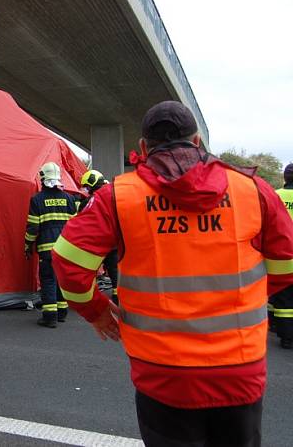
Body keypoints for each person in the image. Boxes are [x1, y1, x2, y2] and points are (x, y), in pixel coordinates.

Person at [52, 100, 293, 447]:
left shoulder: (119, 196)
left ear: (144, 149)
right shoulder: (251, 189)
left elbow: (67, 262)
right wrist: (248, 298)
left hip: (163, 372)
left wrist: (97, 310)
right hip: (239, 367)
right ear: (197, 142)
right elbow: (285, 264)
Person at [25, 162, 77, 328]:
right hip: (66, 248)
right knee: (62, 279)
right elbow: (76, 225)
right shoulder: (69, 198)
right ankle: (62, 313)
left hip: (47, 249)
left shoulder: (37, 200)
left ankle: (50, 317)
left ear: (42, 178)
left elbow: (33, 227)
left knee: (48, 280)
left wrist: (28, 244)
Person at [79, 169, 119, 305]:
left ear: (91, 185)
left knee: (90, 272)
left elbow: (81, 223)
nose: (86, 189)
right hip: (113, 243)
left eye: (87, 186)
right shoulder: (114, 197)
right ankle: (117, 297)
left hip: (95, 245)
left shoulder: (87, 203)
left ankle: (91, 299)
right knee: (115, 272)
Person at [270, 163, 293, 348]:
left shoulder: (275, 195)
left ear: (285, 178)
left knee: (283, 301)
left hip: (281, 258)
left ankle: (285, 335)